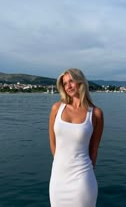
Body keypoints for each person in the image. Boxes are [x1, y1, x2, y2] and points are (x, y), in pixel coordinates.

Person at [49, 68, 104, 207]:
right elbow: (53, 143)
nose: (68, 86)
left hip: (82, 180)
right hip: (58, 180)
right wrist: (61, 166)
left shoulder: (96, 114)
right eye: (65, 83)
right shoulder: (56, 108)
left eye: (71, 81)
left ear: (81, 82)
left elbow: (94, 150)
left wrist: (85, 174)